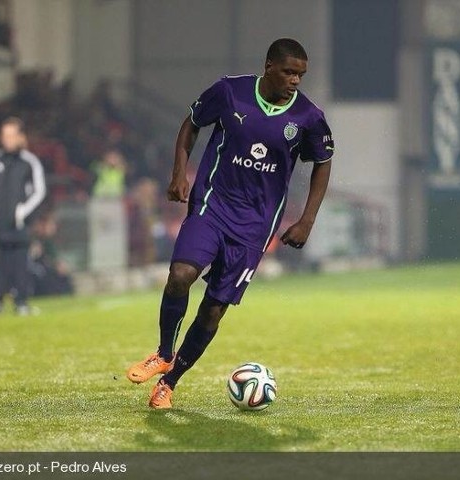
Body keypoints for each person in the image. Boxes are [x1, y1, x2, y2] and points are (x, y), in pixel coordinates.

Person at [126, 38, 334, 409]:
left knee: (213, 309)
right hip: (211, 206)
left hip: (255, 227)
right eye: (288, 71)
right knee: (180, 275)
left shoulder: (308, 117)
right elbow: (191, 124)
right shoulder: (230, 91)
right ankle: (162, 352)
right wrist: (179, 172)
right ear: (269, 65)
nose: (295, 80)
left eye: (300, 74)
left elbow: (323, 161)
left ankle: (169, 383)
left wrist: (307, 220)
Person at [0, 117, 47, 315]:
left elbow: (39, 192)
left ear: (21, 137)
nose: (8, 139)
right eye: (5, 135)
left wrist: (22, 212)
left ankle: (21, 302)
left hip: (19, 226)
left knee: (19, 265)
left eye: (12, 135)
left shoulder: (29, 162)